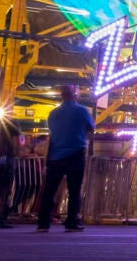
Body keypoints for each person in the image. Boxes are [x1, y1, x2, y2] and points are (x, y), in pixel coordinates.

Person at [37, 84, 94, 233]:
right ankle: (71, 221)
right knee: (74, 191)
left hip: (55, 156)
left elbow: (52, 130)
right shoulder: (82, 111)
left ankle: (43, 222)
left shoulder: (53, 113)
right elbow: (91, 128)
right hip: (75, 154)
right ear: (75, 94)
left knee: (49, 190)